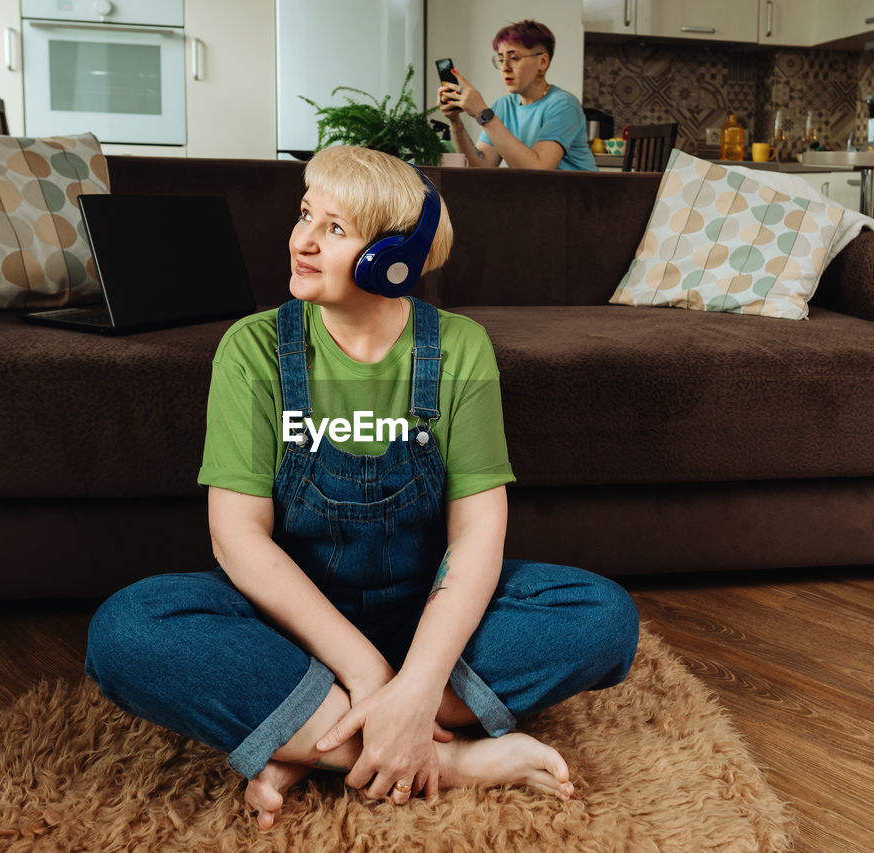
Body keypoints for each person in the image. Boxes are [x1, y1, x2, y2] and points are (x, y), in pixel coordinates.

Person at [84, 145, 636, 830]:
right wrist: (375, 677)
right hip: (291, 622)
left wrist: (421, 674)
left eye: (335, 229)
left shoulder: (460, 347)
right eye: (305, 213)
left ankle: (307, 734)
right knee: (127, 630)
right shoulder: (253, 349)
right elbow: (237, 539)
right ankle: (442, 756)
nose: (302, 240)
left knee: (604, 616)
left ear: (392, 259)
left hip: (425, 614)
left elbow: (477, 534)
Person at [440, 19, 597, 171]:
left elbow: (538, 170)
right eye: (501, 60)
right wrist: (455, 122)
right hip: (542, 196)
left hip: (580, 197)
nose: (505, 68)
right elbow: (480, 168)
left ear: (542, 62)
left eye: (513, 58)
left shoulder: (564, 105)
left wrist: (482, 113)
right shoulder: (503, 106)